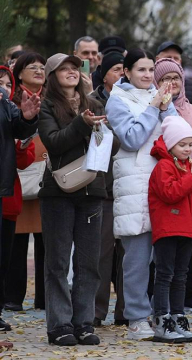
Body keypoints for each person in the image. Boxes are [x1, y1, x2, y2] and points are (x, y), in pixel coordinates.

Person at [38, 53, 118, 346]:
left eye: (75, 67)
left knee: (89, 263)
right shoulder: (47, 105)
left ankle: (83, 323)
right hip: (58, 191)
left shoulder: (94, 104)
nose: (72, 71)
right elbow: (54, 142)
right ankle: (59, 325)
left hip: (92, 191)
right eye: (64, 69)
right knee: (57, 263)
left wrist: (103, 131)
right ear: (52, 76)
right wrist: (82, 124)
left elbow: (113, 147)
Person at [106, 49, 177, 340]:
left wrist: (165, 107)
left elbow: (176, 134)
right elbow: (132, 139)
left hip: (165, 183)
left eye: (150, 70)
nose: (147, 75)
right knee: (136, 258)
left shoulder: (159, 96)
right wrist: (154, 108)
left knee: (165, 257)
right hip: (135, 184)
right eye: (141, 70)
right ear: (127, 72)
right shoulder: (117, 100)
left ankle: (162, 314)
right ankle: (136, 318)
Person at [153, 57, 192, 312]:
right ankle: (162, 312)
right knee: (165, 268)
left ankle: (181, 308)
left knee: (184, 265)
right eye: (165, 78)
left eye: (176, 77)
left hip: (191, 196)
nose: (172, 82)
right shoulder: (152, 108)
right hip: (169, 209)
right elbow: (170, 192)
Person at [148, 116, 192, 343]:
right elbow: (170, 193)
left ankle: (178, 317)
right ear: (170, 145)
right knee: (165, 274)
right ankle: (161, 319)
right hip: (168, 229)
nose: (187, 149)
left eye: (190, 144)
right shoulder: (164, 166)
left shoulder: (189, 166)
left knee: (181, 276)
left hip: (188, 229)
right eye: (182, 144)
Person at [6, 52, 48, 313]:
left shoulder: (52, 98)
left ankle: (45, 297)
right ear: (19, 73)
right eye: (32, 67)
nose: (39, 70)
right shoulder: (10, 100)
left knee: (47, 240)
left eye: (42, 67)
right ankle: (13, 297)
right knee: (16, 240)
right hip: (20, 174)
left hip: (48, 175)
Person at [88, 52, 126, 327]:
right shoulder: (92, 101)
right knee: (100, 252)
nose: (121, 74)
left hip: (129, 184)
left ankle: (126, 310)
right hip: (101, 185)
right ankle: (96, 310)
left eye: (125, 69)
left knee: (128, 254)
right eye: (116, 69)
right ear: (104, 75)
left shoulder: (135, 100)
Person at [0, 66, 37, 340]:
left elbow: (21, 130)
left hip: (5, 191)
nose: (2, 87)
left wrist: (27, 117)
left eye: (5, 83)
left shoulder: (8, 106)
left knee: (3, 257)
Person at [156, 41, 192, 108]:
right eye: (168, 57)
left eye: (176, 58)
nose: (172, 61)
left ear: (180, 61)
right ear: (157, 59)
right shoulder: (148, 86)